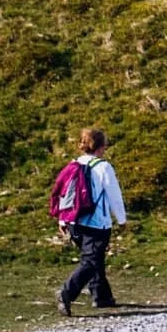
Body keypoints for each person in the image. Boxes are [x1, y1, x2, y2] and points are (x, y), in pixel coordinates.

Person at [56, 127, 126, 316]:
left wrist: (63, 219)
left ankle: (102, 296)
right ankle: (66, 293)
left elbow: (65, 193)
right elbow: (114, 195)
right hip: (97, 223)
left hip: (74, 221)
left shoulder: (73, 165)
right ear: (100, 147)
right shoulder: (103, 167)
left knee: (95, 259)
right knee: (91, 261)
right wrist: (122, 219)